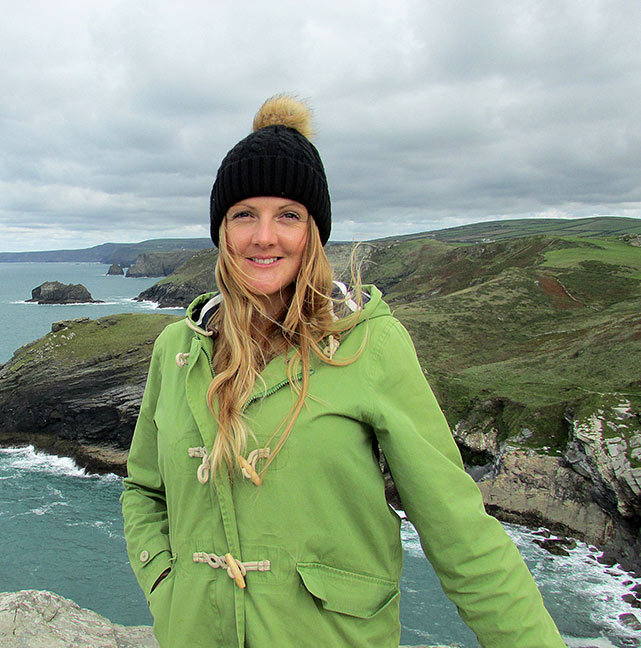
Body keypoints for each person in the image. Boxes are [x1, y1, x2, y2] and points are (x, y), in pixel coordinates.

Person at [120, 94, 565, 647]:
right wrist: (167, 585)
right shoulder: (176, 350)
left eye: (288, 215)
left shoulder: (371, 345)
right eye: (244, 215)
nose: (264, 236)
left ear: (313, 231)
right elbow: (144, 490)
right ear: (221, 231)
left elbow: (461, 534)